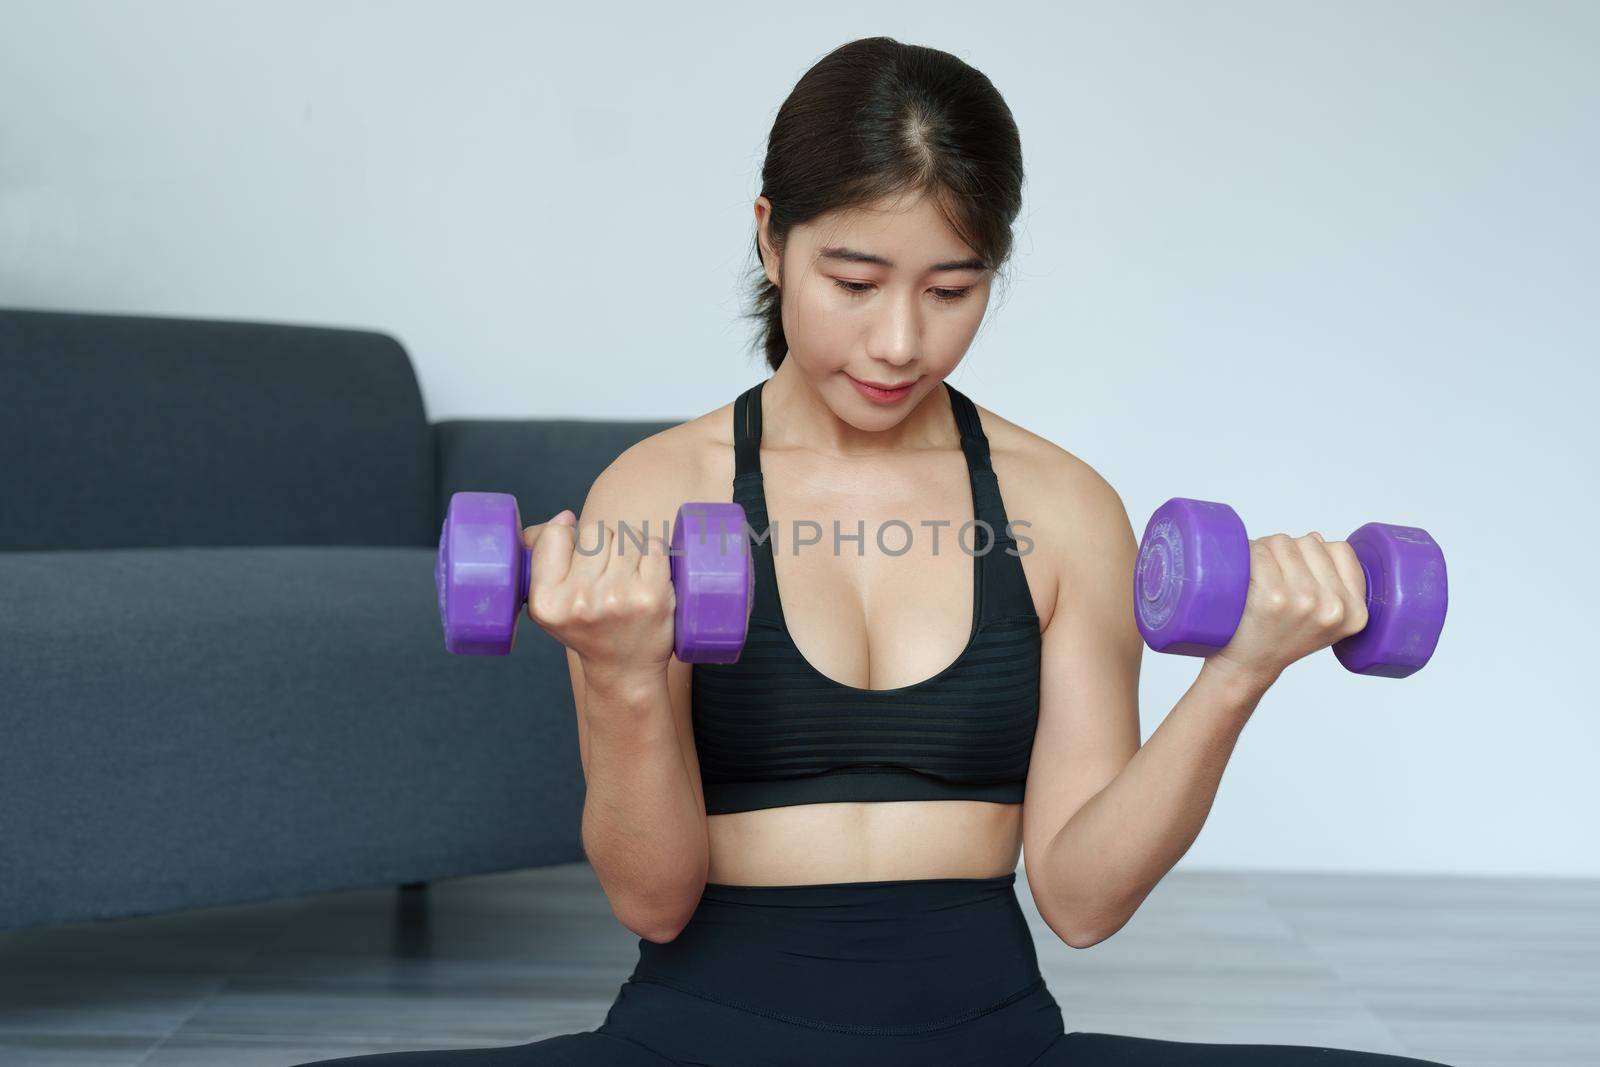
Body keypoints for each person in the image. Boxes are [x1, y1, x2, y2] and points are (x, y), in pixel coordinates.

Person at [294, 36, 1453, 1067]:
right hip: (697, 1042)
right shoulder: (657, 493)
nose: (900, 341)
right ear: (771, 238)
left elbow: (1084, 898)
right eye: (854, 282)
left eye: (952, 290)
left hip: (993, 1040)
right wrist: (621, 675)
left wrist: (1239, 671)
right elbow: (651, 900)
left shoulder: (1062, 507)